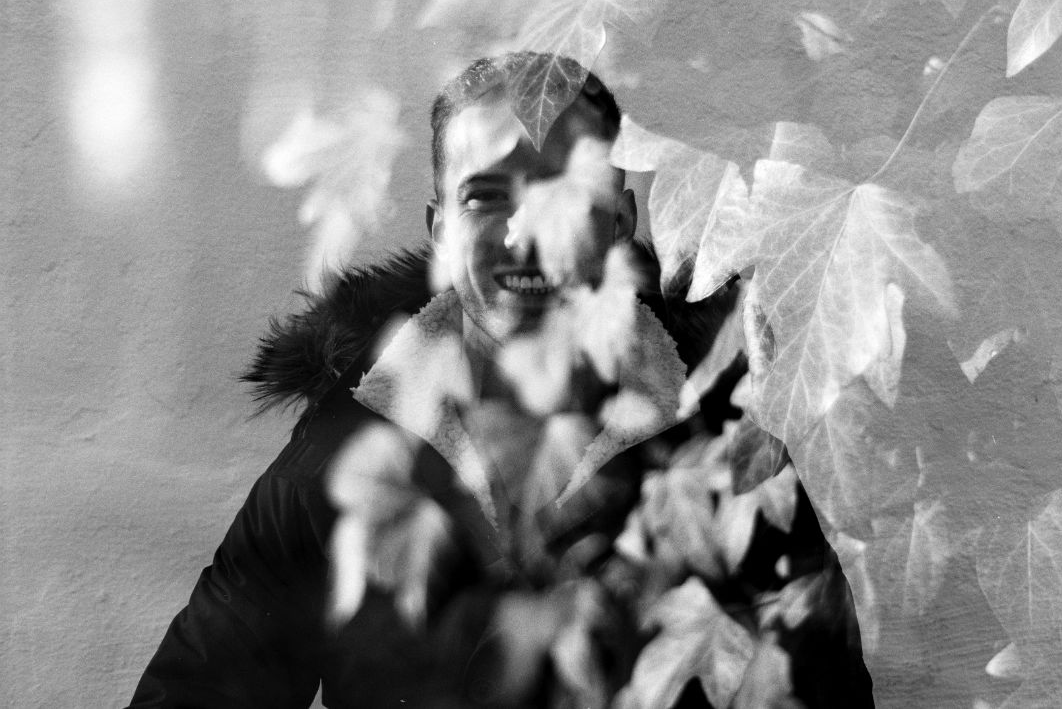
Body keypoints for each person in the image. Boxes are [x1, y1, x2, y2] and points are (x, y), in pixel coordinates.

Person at [127, 52, 873, 708]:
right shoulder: (335, 463)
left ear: (617, 226)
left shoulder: (729, 459)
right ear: (442, 230)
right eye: (486, 196)